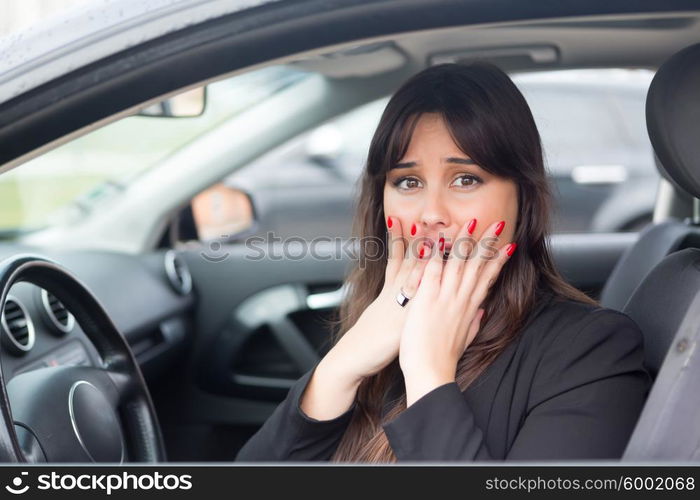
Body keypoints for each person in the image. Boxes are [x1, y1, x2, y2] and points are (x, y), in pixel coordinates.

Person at [234, 61, 652, 463]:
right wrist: (341, 366)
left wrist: (429, 374)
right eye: (408, 182)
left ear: (523, 195)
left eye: (465, 179)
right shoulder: (380, 323)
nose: (431, 213)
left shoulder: (591, 351)